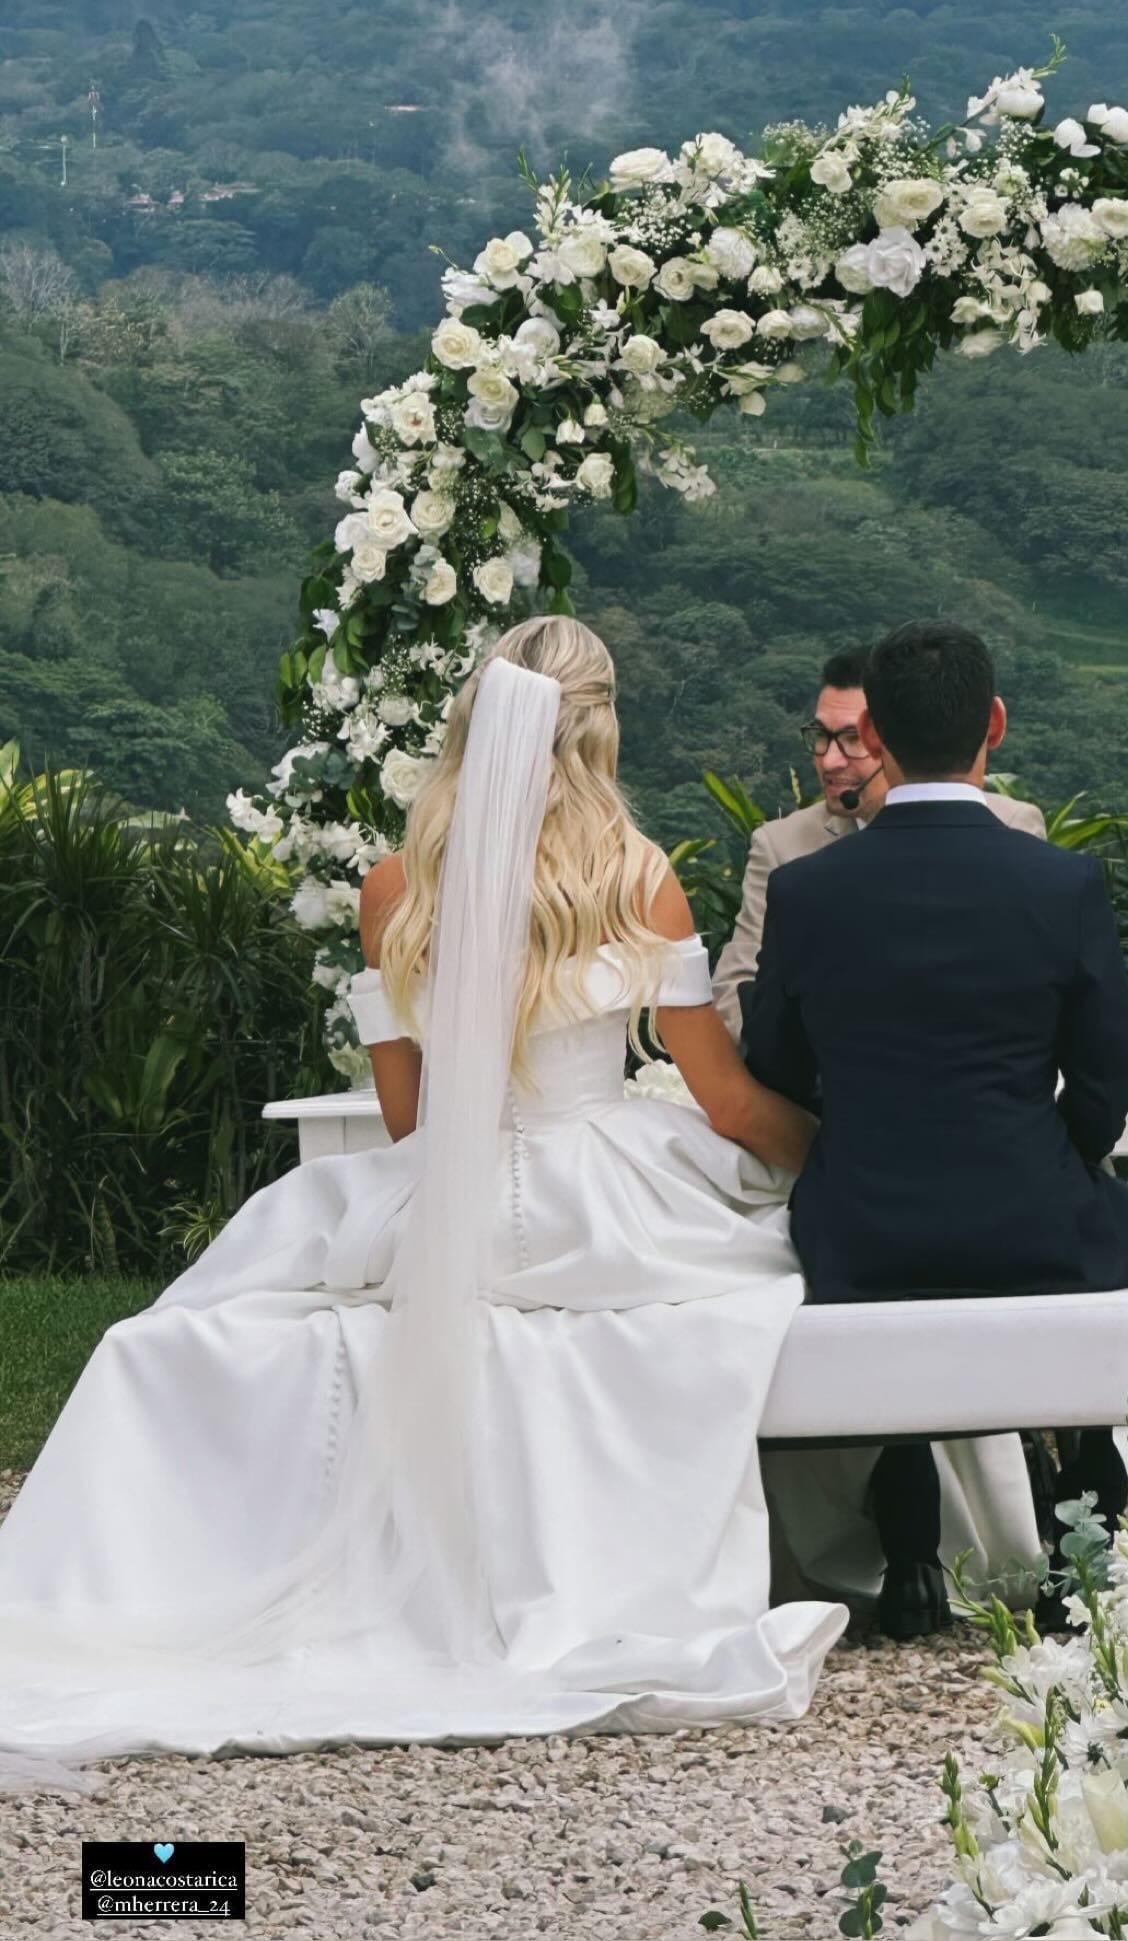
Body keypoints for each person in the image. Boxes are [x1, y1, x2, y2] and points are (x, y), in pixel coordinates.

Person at [0, 619, 849, 1796]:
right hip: (600, 1193)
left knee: (217, 1310)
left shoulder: (396, 886)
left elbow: (409, 1126)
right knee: (755, 1270)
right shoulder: (636, 876)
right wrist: (827, 1151)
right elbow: (719, 1098)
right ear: (597, 727)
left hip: (447, 1189)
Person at [743, 620, 1128, 1638]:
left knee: (914, 1270)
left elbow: (772, 1065)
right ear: (992, 725)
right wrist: (1055, 1159)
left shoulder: (808, 889)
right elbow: (1106, 1079)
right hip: (1030, 1215)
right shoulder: (1059, 881)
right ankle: (1084, 1524)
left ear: (884, 741)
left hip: (861, 1228)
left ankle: (910, 1562)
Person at [712, 645, 1045, 1042]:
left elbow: (1032, 990)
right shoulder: (780, 845)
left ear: (888, 736)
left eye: (852, 738)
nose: (830, 761)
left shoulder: (1009, 826)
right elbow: (732, 998)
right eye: (821, 736)